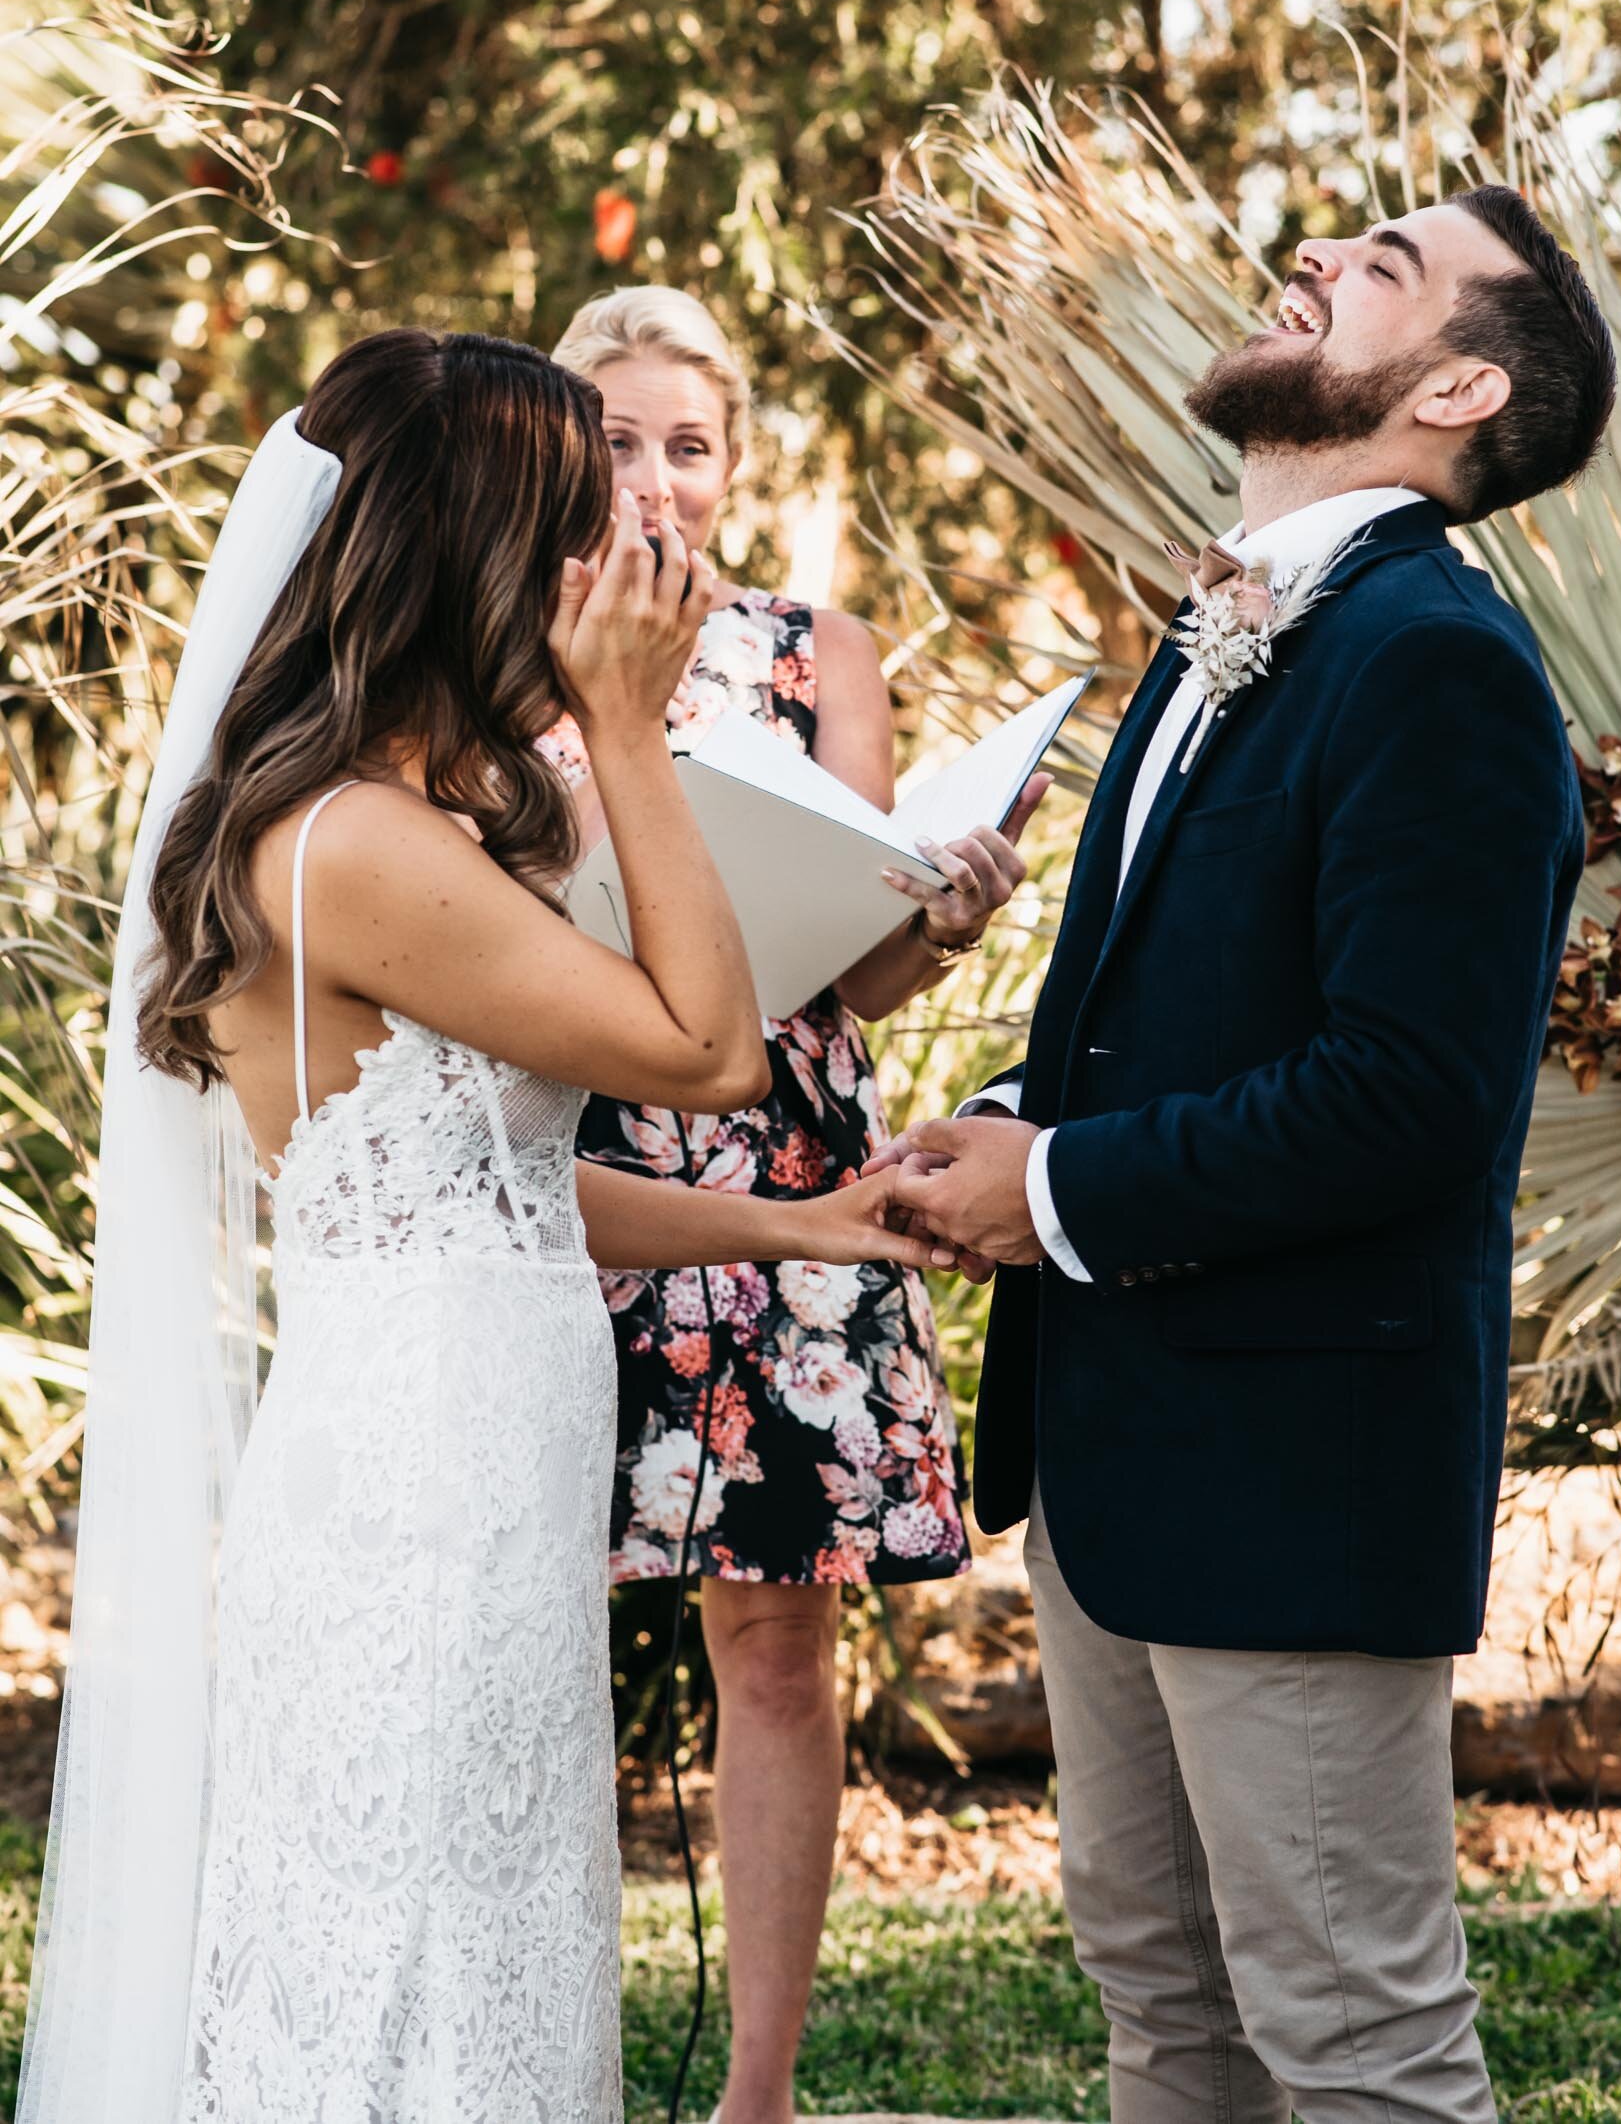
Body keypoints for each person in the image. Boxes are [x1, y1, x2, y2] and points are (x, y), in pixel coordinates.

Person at [19, 329, 944, 2124]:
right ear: (472, 555)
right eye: (572, 530)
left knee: (488, 1922)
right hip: (418, 1482)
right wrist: (624, 730)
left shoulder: (390, 817)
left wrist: (797, 1223)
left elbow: (494, 1192)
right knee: (406, 1949)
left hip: (481, 1445)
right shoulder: (347, 840)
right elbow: (709, 1047)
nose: (611, 569)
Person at [871, 188, 1616, 2124]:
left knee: (1355, 2042)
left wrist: (1048, 1197)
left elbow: (1407, 1094)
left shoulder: (1434, 662)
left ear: (1456, 382)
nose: (1313, 254)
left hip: (1294, 1469)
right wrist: (1031, 1130)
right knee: (1165, 2011)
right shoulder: (1243, 622)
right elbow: (1203, 1023)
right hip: (1129, 1449)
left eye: (1379, 260)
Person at [545, 285, 1046, 2124]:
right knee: (518, 1623)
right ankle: (530, 2042)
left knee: (774, 1643)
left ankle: (754, 2093)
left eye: (692, 442)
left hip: (789, 1174)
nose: (657, 476)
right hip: (567, 1156)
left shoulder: (818, 650)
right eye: (616, 437)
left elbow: (857, 975)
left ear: (734, 463)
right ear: (551, 444)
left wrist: (947, 912)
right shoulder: (489, 631)